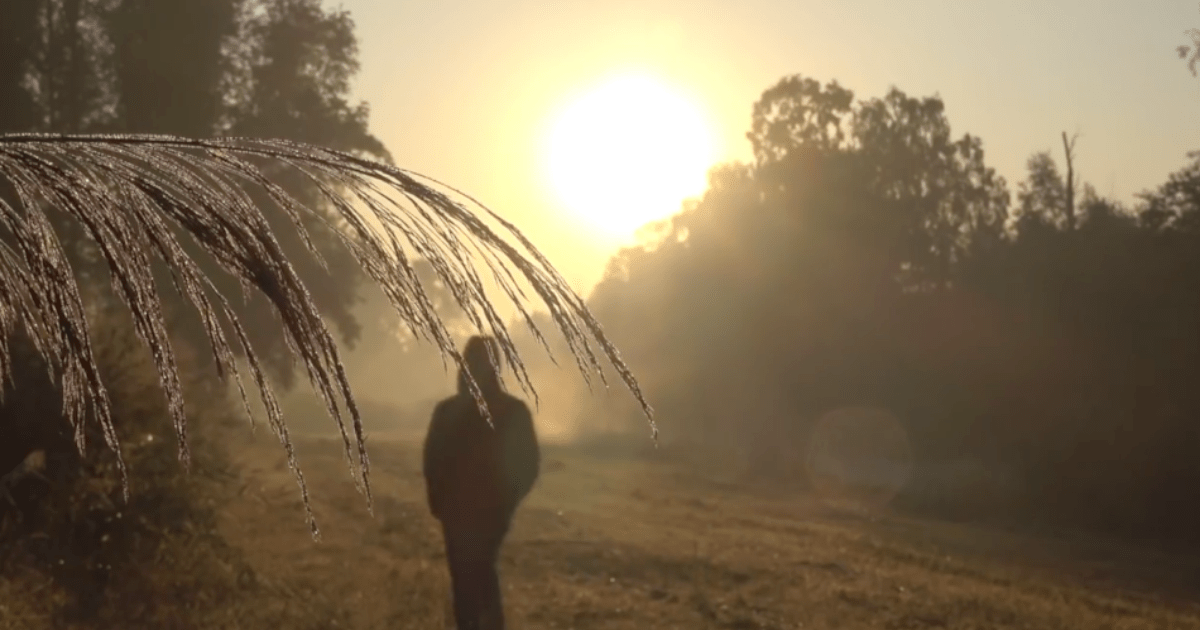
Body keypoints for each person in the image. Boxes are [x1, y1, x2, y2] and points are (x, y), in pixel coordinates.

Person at [422, 335, 541, 630]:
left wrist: (438, 501)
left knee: (466, 578)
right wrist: (507, 503)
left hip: (462, 512)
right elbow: (529, 465)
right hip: (485, 512)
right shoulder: (513, 411)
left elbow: (432, 461)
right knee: (480, 574)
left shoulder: (448, 411)